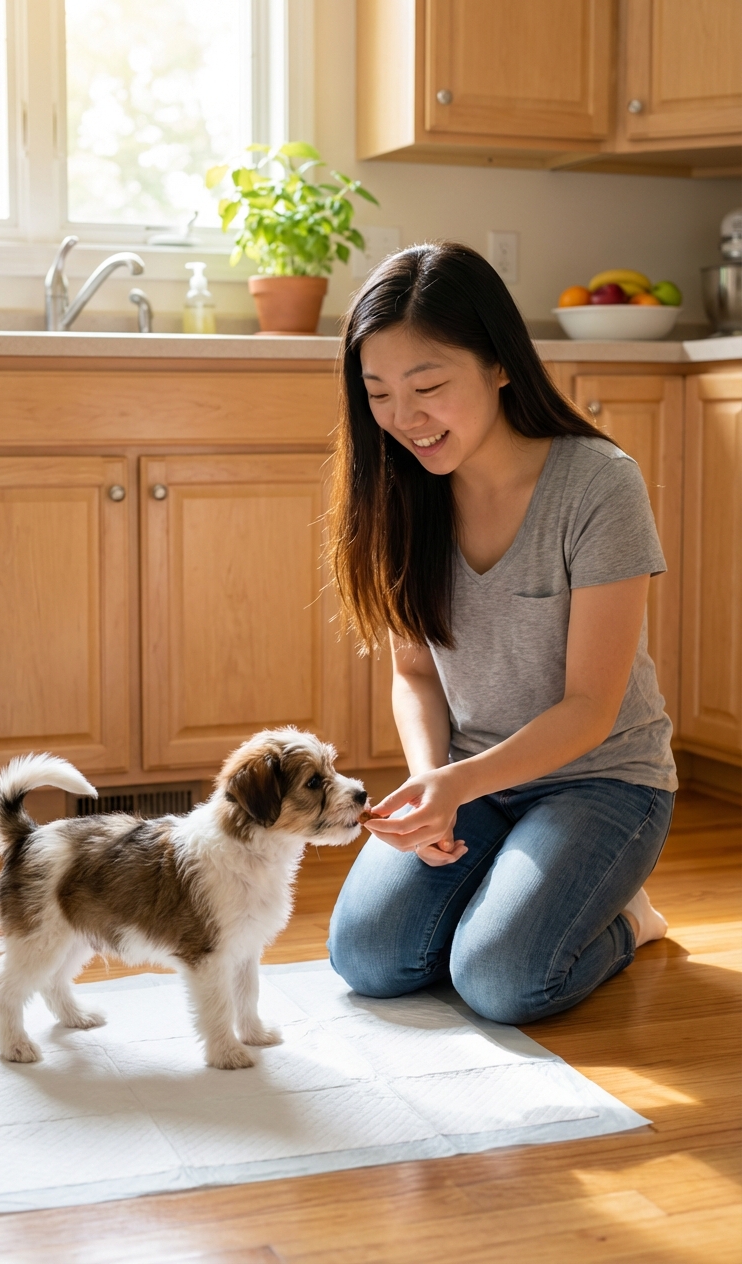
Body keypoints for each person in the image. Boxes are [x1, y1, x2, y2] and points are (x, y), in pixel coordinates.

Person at [327, 242, 675, 1026]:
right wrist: (429, 785)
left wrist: (456, 787)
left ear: (500, 367)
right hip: (472, 777)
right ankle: (520, 886)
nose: (404, 419)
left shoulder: (598, 485)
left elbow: (591, 708)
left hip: (604, 780)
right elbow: (414, 673)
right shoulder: (398, 491)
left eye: (429, 387)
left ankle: (627, 920)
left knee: (500, 981)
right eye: (378, 393)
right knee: (368, 957)